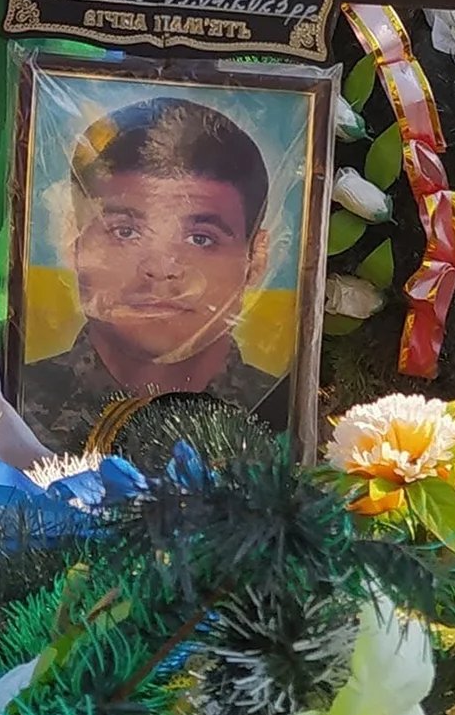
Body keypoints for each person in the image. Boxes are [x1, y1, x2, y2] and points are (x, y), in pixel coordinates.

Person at [21, 95, 287, 450]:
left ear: (256, 258)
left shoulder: (286, 418)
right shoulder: (8, 411)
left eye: (200, 238)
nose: (161, 269)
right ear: (74, 241)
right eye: (125, 232)